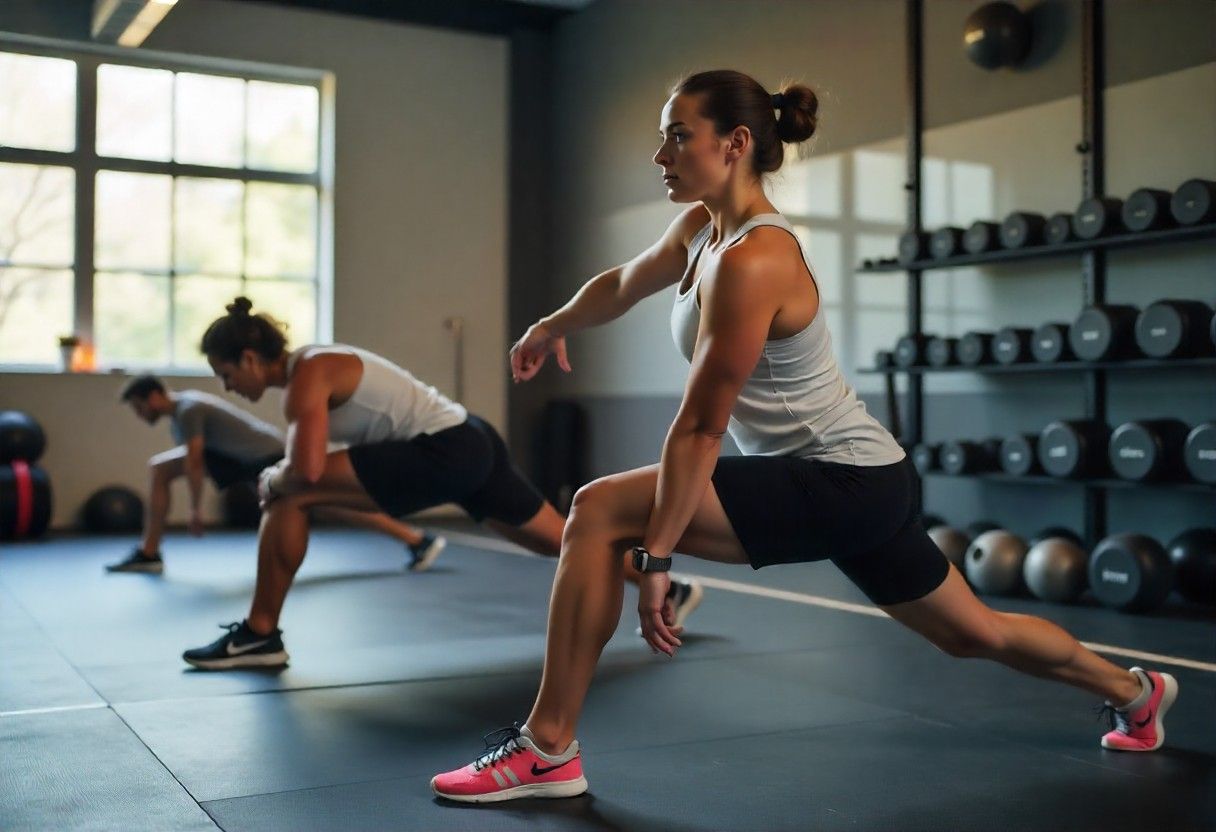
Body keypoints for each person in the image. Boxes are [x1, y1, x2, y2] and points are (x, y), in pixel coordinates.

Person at [431, 69, 1177, 803]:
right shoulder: (702, 230)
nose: (661, 156)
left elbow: (702, 426)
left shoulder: (756, 258)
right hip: (862, 476)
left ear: (735, 143)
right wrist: (551, 324)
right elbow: (624, 282)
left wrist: (656, 556)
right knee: (973, 633)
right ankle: (1135, 692)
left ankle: (547, 749)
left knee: (597, 511)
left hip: (840, 480)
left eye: (678, 137)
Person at [181, 298, 702, 670]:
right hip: (470, 438)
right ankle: (671, 590)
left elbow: (307, 470)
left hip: (445, 449)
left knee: (287, 495)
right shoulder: (314, 364)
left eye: (226, 374)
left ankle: (260, 634)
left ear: (249, 358)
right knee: (562, 539)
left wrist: (273, 477)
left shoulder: (307, 376)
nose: (228, 386)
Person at [109, 375, 445, 575]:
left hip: (267, 456)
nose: (140, 415)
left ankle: (418, 540)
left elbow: (195, 463)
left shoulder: (188, 409)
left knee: (331, 505)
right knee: (160, 468)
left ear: (154, 396)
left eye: (139, 407)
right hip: (235, 458)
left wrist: (195, 510)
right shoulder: (182, 412)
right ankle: (149, 553)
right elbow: (198, 460)